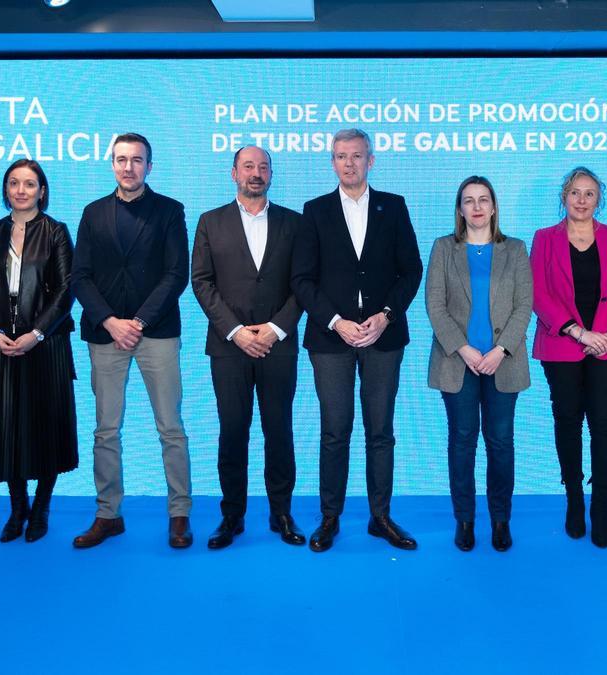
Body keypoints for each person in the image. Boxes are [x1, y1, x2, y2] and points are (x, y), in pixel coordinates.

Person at [291, 128, 423, 552]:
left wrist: (386, 316)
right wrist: (336, 321)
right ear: (332, 162)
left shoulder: (394, 206)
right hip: (331, 339)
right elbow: (302, 279)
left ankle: (380, 517)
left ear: (371, 160)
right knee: (335, 431)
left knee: (380, 431)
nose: (349, 163)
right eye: (341, 156)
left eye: (357, 155)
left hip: (383, 336)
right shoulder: (314, 211)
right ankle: (330, 517)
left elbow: (411, 270)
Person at [70, 132, 193, 549]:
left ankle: (179, 514)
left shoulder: (170, 211)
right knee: (106, 430)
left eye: (137, 160)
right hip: (105, 335)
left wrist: (137, 321)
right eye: (121, 159)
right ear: (112, 165)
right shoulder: (92, 213)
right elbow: (80, 276)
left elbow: (176, 274)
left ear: (149, 166)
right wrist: (110, 321)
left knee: (171, 428)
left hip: (156, 332)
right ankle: (108, 515)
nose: (128, 167)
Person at [191, 146, 306, 549]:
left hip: (278, 346)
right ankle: (232, 516)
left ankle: (281, 513)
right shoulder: (210, 221)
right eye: (248, 166)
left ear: (271, 173)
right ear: (234, 173)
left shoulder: (294, 222)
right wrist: (236, 331)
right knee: (232, 432)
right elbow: (201, 282)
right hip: (229, 348)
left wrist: (276, 329)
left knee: (280, 431)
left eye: (263, 167)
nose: (256, 173)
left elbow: (303, 283)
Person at [0, 159, 79, 543]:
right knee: (7, 427)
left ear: (41, 191)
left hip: (45, 344)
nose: (21, 190)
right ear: (6, 189)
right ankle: (18, 508)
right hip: (1, 344)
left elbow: (66, 289)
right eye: (14, 183)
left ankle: (42, 508)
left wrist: (37, 333)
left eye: (29, 184)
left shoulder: (56, 232)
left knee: (46, 426)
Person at [530, 167, 607, 548]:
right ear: (564, 196)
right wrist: (578, 332)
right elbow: (538, 293)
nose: (581, 200)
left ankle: (601, 507)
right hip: (562, 344)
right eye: (575, 192)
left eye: (589, 193)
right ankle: (574, 500)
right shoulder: (544, 238)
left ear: (598, 199)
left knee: (605, 422)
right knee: (568, 420)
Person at [426, 176, 531, 552]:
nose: (476, 207)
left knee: (501, 443)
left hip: (503, 362)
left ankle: (501, 520)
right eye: (468, 200)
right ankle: (465, 520)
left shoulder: (515, 249)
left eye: (483, 199)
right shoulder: (443, 248)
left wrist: (501, 349)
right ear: (459, 209)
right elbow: (435, 306)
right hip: (458, 362)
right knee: (462, 441)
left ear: (494, 206)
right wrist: (464, 349)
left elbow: (524, 305)